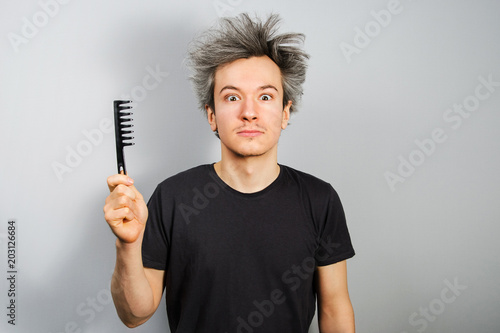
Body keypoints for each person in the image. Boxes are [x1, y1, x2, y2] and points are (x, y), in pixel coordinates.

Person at [104, 13, 355, 333]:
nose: (249, 112)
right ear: (211, 115)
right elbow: (134, 315)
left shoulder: (320, 200)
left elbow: (335, 307)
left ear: (285, 113)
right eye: (232, 97)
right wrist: (127, 246)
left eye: (265, 96)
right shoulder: (173, 198)